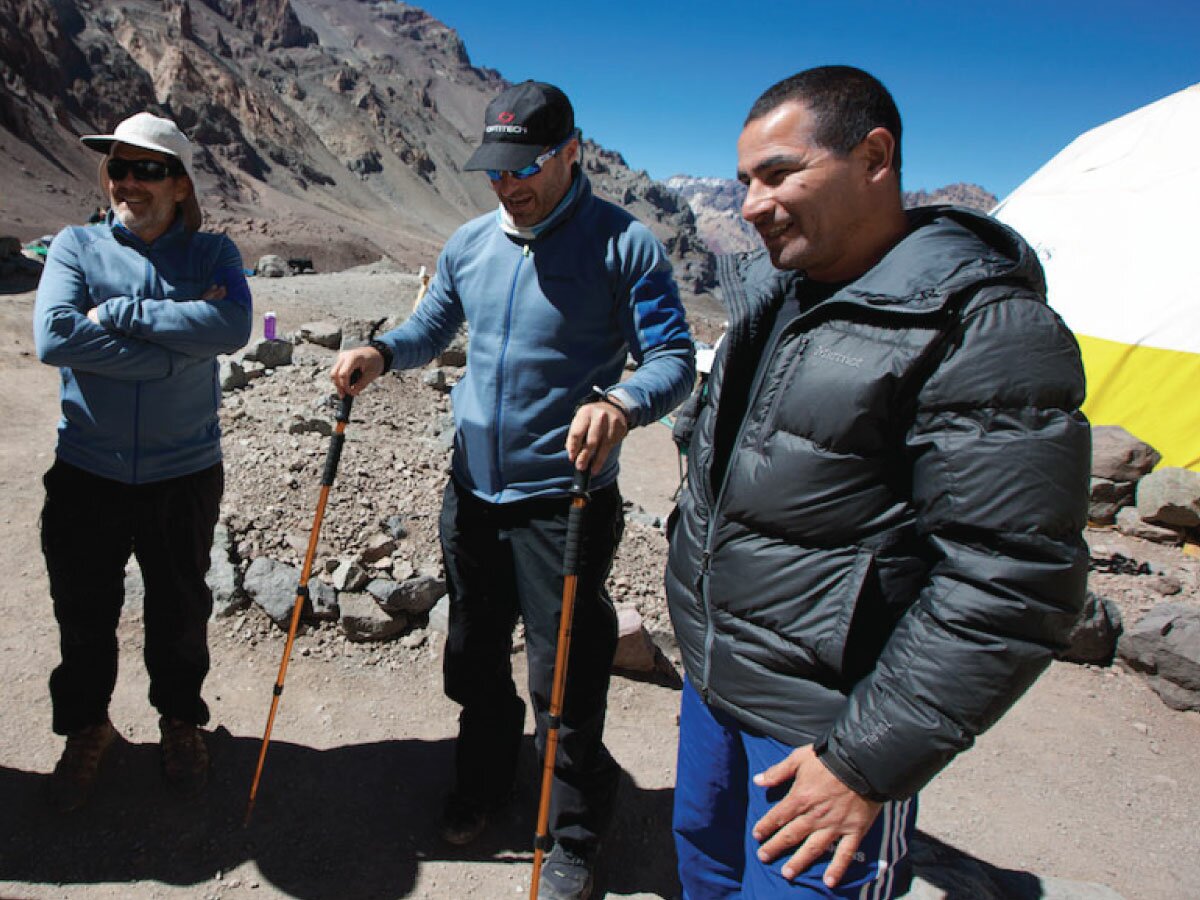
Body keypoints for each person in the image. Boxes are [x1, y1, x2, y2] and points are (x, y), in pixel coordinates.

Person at [665, 65, 1090, 899]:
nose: (752, 204)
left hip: (826, 728)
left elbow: (1014, 578)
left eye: (780, 174)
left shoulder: (981, 326)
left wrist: (864, 761)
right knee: (703, 872)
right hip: (716, 684)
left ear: (875, 156)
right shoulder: (776, 298)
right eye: (745, 181)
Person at [332, 81, 694, 899]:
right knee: (472, 652)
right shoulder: (468, 244)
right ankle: (487, 780)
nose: (508, 186)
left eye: (525, 167)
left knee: (562, 672)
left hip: (562, 498)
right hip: (473, 490)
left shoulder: (624, 244)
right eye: (495, 170)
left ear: (571, 150)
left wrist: (621, 402)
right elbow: (433, 328)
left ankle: (574, 827)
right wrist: (382, 353)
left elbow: (672, 360)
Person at [34, 112, 252, 811]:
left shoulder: (215, 253)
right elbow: (55, 336)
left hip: (183, 472)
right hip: (87, 469)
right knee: (83, 608)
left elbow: (234, 326)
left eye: (147, 169)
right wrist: (175, 353)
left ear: (180, 183)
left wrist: (120, 314)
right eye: (118, 168)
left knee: (181, 605)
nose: (127, 181)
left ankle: (181, 719)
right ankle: (86, 726)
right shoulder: (74, 245)